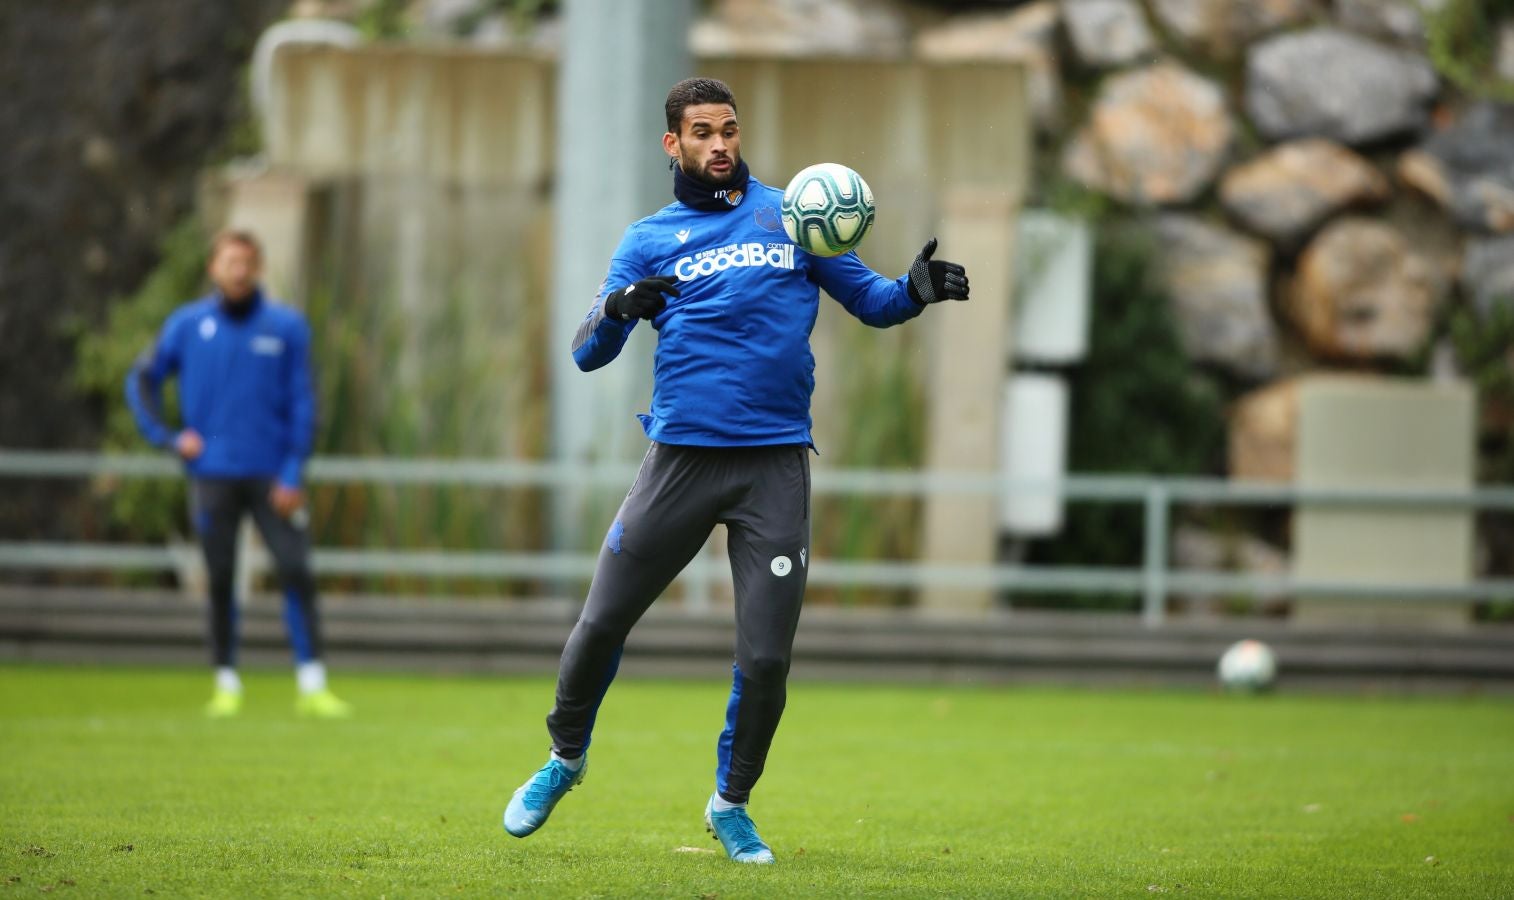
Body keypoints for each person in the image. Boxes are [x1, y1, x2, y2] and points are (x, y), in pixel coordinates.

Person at [501, 77, 969, 863]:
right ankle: (564, 759)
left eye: (729, 129)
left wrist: (915, 292)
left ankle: (730, 803)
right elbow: (586, 351)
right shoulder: (648, 238)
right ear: (673, 144)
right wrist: (621, 308)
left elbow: (874, 301)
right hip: (680, 462)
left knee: (767, 657)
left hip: (774, 469)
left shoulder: (794, 213)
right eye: (703, 132)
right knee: (600, 622)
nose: (720, 144)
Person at [126, 230, 351, 720]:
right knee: (222, 576)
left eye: (248, 262)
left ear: (259, 267)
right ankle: (226, 681)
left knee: (296, 571)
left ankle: (312, 683)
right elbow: (142, 379)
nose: (240, 271)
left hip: (274, 478)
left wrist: (293, 471)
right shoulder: (187, 325)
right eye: (231, 262)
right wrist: (168, 437)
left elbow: (302, 402)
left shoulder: (287, 327)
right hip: (212, 476)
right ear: (214, 267)